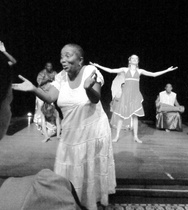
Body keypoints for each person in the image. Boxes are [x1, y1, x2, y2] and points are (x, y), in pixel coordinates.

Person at [13, 43, 116, 210]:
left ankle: (90, 202)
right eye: (61, 56)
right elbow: (49, 97)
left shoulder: (91, 72)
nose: (63, 60)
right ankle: (71, 202)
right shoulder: (61, 77)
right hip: (70, 132)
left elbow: (95, 98)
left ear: (80, 60)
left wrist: (88, 88)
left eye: (68, 56)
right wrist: (33, 88)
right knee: (68, 168)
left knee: (89, 168)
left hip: (92, 129)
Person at [0, 46, 80, 209]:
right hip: (42, 96)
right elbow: (46, 91)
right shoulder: (41, 190)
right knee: (42, 116)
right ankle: (46, 133)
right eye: (9, 103)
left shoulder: (61, 76)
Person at [90, 55, 178, 143]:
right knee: (121, 116)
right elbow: (111, 70)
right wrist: (98, 66)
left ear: (138, 61)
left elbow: (154, 74)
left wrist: (167, 70)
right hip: (126, 96)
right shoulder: (125, 70)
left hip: (135, 96)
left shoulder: (140, 71)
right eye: (133, 58)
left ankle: (136, 136)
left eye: (136, 58)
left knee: (135, 117)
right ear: (130, 61)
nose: (135, 59)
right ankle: (116, 136)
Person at [34, 62, 57, 129]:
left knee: (51, 106)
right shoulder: (42, 73)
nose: (49, 67)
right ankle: (37, 121)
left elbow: (58, 80)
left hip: (50, 92)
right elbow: (39, 82)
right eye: (48, 66)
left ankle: (51, 121)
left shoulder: (54, 73)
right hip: (41, 91)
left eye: (50, 66)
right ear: (45, 67)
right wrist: (47, 79)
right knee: (40, 106)